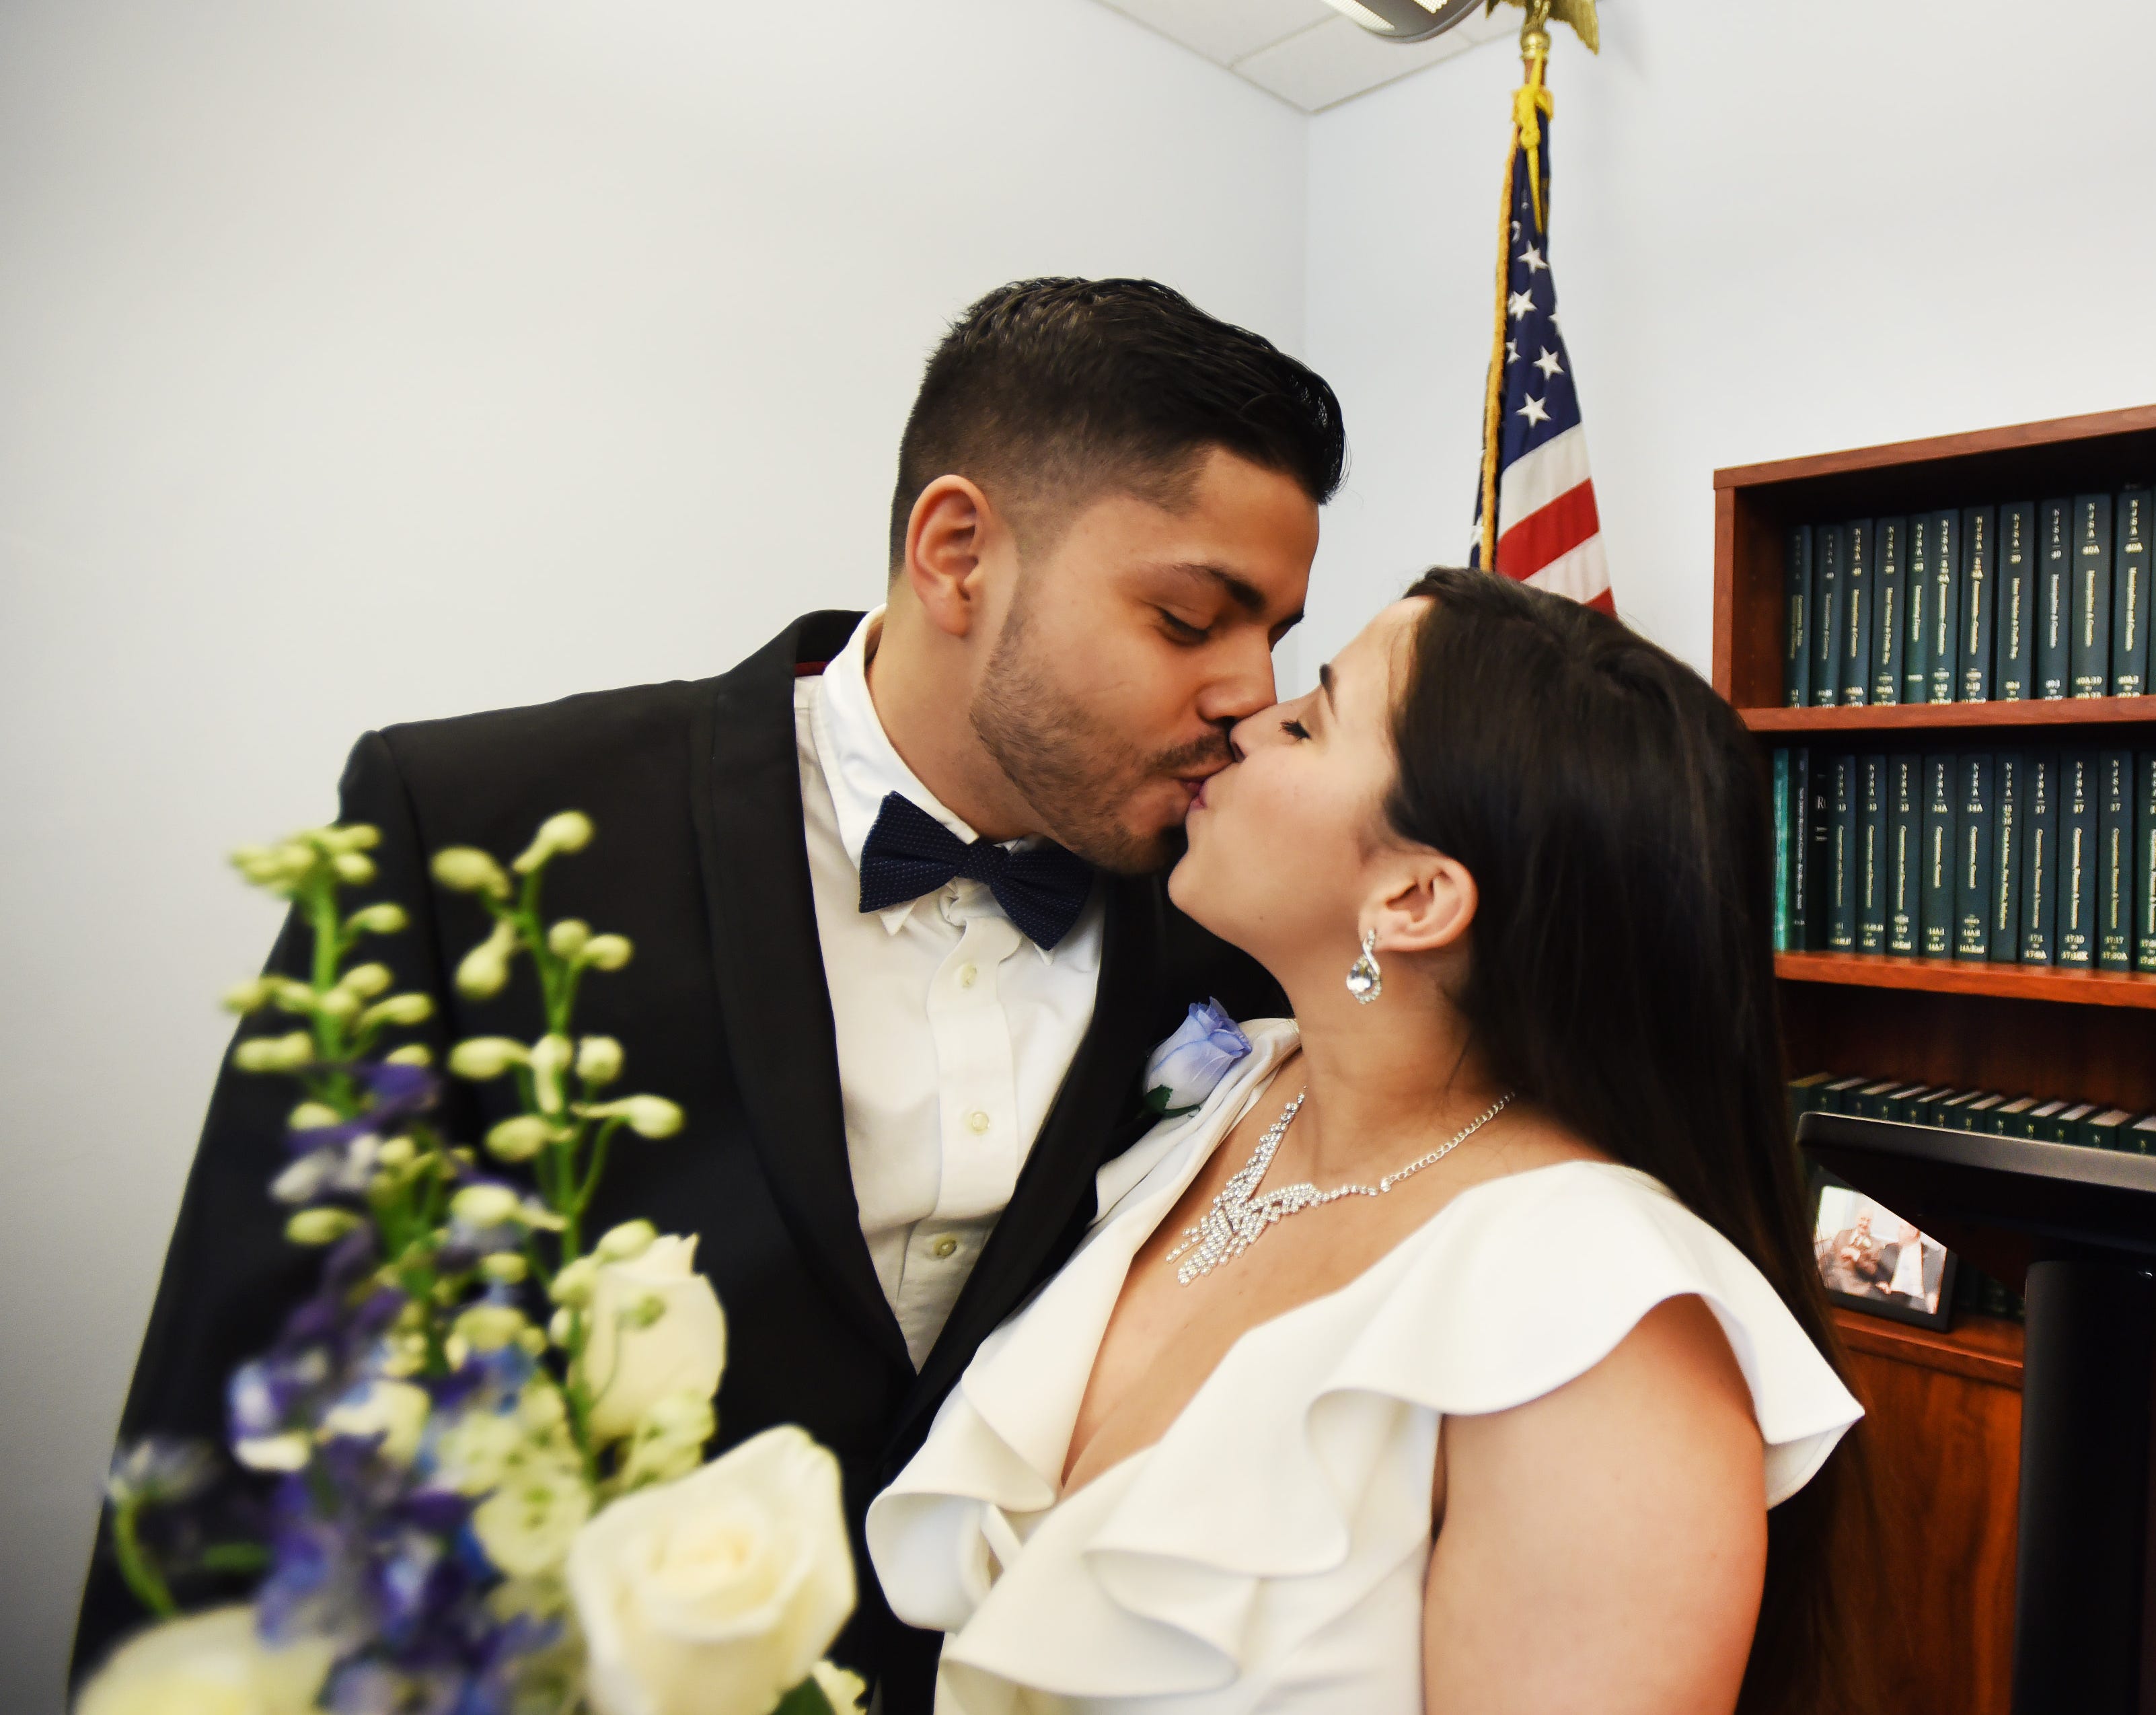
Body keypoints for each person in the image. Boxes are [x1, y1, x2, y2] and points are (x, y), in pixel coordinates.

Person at [76, 278, 1342, 1712]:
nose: (1254, 692)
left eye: (1280, 635)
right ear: (957, 552)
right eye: (1191, 619)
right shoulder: (471, 827)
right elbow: (248, 1412)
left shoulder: (1230, 927)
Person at [868, 570, 1869, 1714]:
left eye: (1307, 720)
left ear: (1414, 898)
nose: (1244, 717)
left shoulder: (1599, 1315)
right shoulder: (1230, 1093)